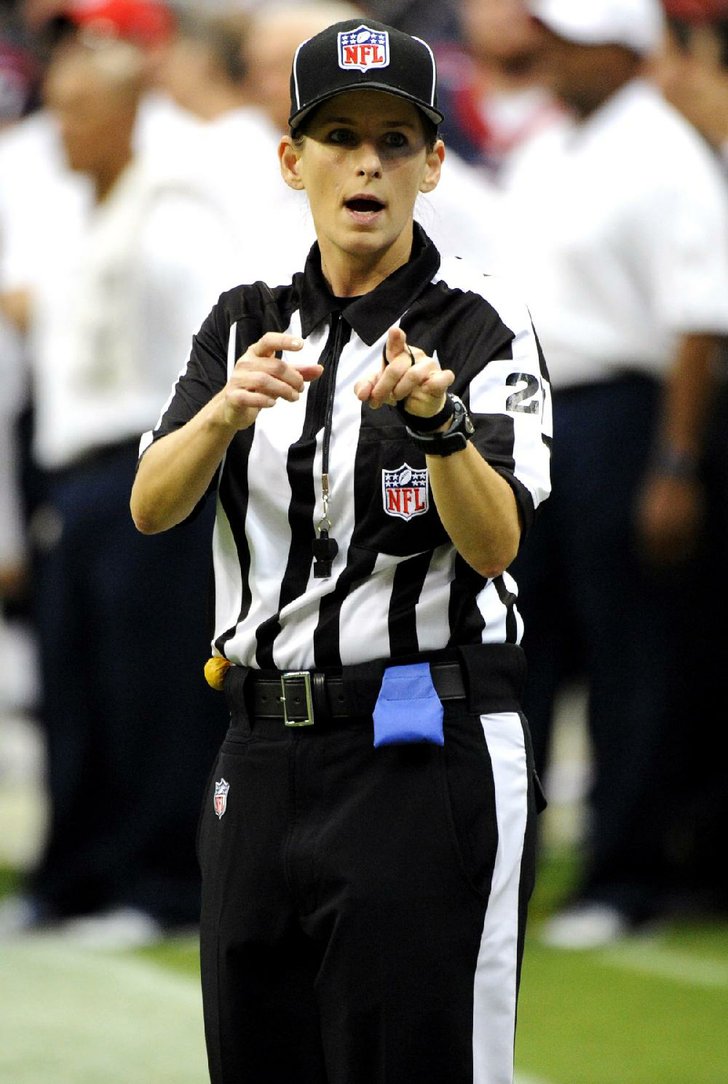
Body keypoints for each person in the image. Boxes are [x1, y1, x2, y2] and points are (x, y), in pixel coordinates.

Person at [131, 17, 551, 1083]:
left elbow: (497, 538)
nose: (366, 161)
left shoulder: (479, 323)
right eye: (338, 135)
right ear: (291, 160)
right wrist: (223, 411)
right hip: (259, 750)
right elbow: (152, 502)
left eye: (395, 139)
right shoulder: (244, 319)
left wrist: (437, 426)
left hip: (420, 740)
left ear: (433, 162)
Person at [496, 0, 728, 947]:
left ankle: (624, 874)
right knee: (522, 648)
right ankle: (512, 865)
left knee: (631, 653)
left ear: (619, 44)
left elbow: (698, 319)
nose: (541, 49)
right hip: (531, 414)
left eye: (563, 34)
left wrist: (675, 462)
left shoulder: (664, 150)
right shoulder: (548, 150)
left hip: (623, 414)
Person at [0, 35, 237, 945]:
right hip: (70, 473)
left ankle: (163, 881)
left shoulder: (173, 215)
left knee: (154, 690)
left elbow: (207, 356)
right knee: (77, 684)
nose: (63, 130)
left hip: (146, 468)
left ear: (129, 113)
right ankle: (82, 873)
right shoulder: (71, 216)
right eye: (56, 110)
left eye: (81, 111)